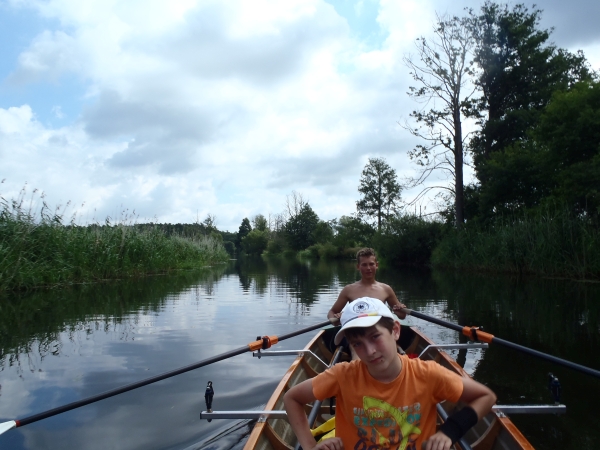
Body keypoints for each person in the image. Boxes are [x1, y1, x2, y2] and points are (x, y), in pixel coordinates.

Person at [284, 298, 497, 450]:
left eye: (375, 337)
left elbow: (486, 396)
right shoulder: (342, 375)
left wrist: (450, 431)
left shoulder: (427, 374)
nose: (369, 352)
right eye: (357, 343)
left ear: (395, 330)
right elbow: (292, 398)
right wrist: (310, 446)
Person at [327, 248, 407, 322]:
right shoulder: (348, 290)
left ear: (377, 265)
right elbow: (332, 312)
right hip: (356, 332)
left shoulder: (386, 289)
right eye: (364, 265)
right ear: (358, 267)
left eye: (371, 264)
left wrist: (401, 311)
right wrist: (335, 320)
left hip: (378, 332)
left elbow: (401, 315)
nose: (368, 268)